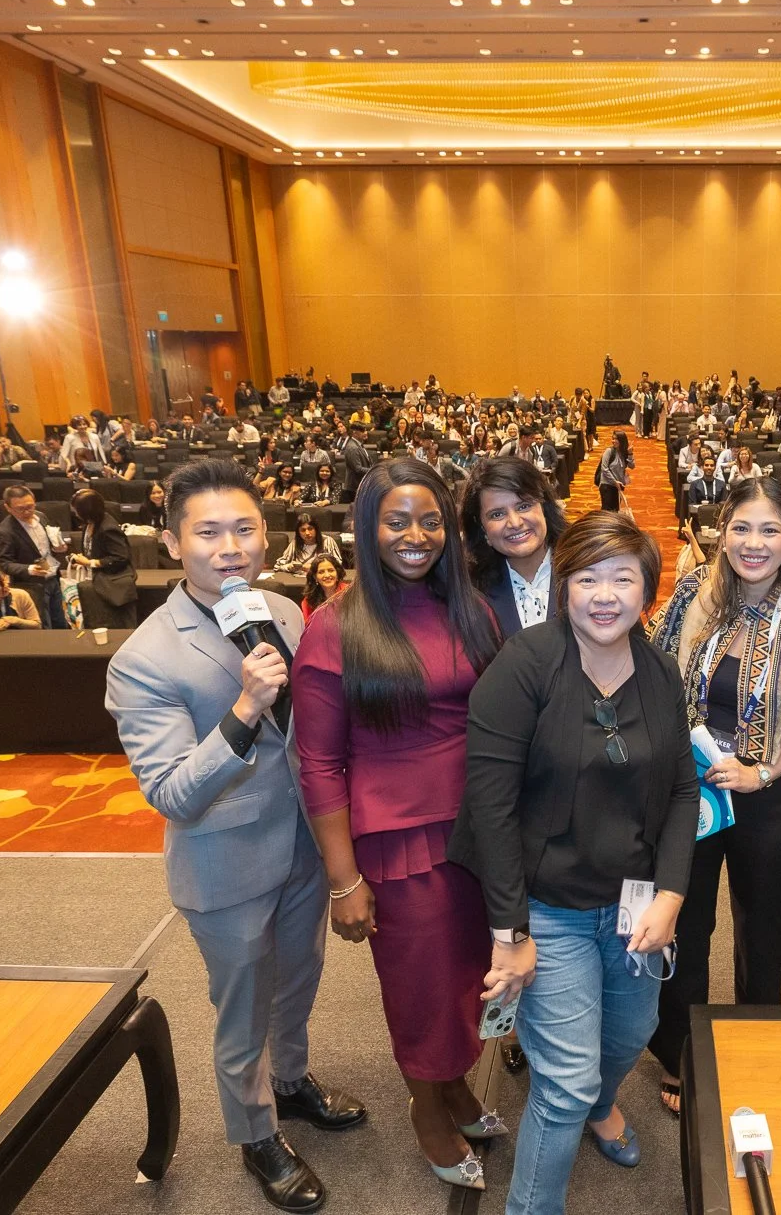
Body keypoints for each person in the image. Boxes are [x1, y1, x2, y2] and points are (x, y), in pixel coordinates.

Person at [106, 458, 367, 1213]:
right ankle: (256, 1135)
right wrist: (245, 710)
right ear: (171, 542)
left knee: (300, 979)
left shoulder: (282, 611)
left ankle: (290, 1082)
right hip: (225, 865)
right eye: (209, 532)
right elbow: (172, 793)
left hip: (303, 847)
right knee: (244, 1007)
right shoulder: (144, 658)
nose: (230, 548)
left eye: (245, 529)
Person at [452, 512, 697, 1215]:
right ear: (564, 587)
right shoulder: (523, 666)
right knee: (562, 1083)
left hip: (632, 903)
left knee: (629, 1037)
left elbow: (682, 790)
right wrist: (511, 933)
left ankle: (599, 1103)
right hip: (546, 908)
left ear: (648, 591)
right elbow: (491, 809)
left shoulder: (658, 671)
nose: (605, 595)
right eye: (588, 578)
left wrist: (671, 896)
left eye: (623, 578)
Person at [293, 460, 502, 1191]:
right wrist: (342, 880)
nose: (416, 536)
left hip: (478, 830)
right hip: (400, 840)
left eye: (431, 521)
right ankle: (428, 1110)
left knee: (470, 975)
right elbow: (319, 765)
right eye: (397, 521)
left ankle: (455, 1086)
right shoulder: (334, 627)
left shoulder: (470, 610)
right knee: (421, 987)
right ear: (367, 528)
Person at [645, 479, 781, 1114]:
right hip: (690, 794)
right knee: (685, 923)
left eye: (770, 530)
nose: (753, 542)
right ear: (722, 534)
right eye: (741, 527)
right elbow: (651, 669)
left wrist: (761, 772)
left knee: (762, 929)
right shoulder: (692, 598)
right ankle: (680, 1053)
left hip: (771, 797)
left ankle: (755, 1041)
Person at [462, 456, 567, 641]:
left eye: (524, 506)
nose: (515, 523)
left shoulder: (586, 568)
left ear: (544, 507)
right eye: (497, 514)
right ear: (482, 527)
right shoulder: (470, 591)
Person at [0, 485, 71, 631]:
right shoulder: (4, 531)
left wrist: (58, 548)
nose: (27, 511)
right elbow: (4, 563)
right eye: (20, 509)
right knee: (44, 626)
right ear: (8, 508)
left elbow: (48, 545)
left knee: (60, 622)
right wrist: (29, 569)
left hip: (53, 577)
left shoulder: (41, 517)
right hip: (32, 585)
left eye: (30, 506)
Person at [69, 487, 138, 630]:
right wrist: (84, 561)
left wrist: (90, 562)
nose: (75, 513)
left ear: (87, 511)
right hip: (98, 579)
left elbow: (120, 557)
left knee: (119, 626)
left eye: (77, 510)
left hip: (114, 584)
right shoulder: (90, 522)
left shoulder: (108, 528)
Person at [275, 512, 344, 575]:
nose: (307, 533)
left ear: (316, 529)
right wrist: (289, 567)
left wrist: (315, 567)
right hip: (299, 580)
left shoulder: (327, 541)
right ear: (298, 532)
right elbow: (278, 566)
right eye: (303, 530)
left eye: (310, 529)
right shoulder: (295, 543)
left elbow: (338, 564)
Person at [597, 431, 633, 511]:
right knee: (607, 511)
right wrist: (614, 482)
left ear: (622, 440)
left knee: (615, 510)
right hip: (607, 485)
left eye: (616, 439)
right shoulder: (609, 451)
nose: (613, 441)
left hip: (618, 486)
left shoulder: (624, 452)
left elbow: (632, 466)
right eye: (613, 439)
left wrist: (630, 454)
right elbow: (604, 469)